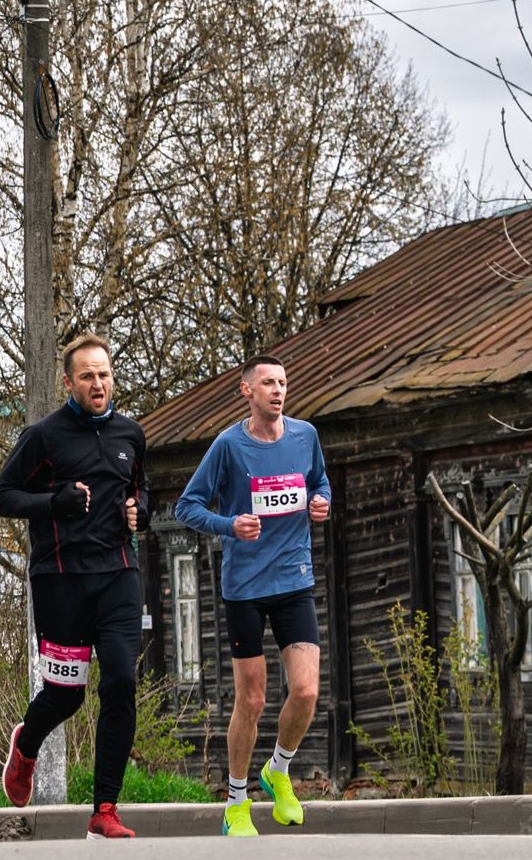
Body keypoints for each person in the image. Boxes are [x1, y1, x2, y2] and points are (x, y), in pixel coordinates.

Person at [0, 333, 150, 842]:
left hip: (119, 574)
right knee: (66, 694)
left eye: (104, 374)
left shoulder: (131, 434)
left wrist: (140, 511)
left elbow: (141, 489)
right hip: (60, 578)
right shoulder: (44, 436)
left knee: (121, 680)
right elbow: (2, 497)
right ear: (69, 382)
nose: (98, 383)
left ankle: (105, 808)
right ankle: (27, 744)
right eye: (87, 376)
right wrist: (52, 502)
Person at [174, 352, 333, 836]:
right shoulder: (228, 446)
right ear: (247, 391)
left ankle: (277, 770)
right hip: (244, 588)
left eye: (283, 382)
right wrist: (229, 525)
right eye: (268, 383)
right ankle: (237, 803)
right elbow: (187, 506)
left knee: (305, 691)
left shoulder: (306, 436)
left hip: (294, 581)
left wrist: (323, 501)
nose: (278, 391)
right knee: (253, 700)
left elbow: (319, 481)